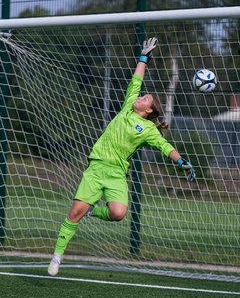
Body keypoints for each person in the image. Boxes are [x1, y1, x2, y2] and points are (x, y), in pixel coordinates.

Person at [48, 37, 196, 276]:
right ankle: (57, 255)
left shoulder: (148, 129)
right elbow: (137, 79)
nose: (140, 97)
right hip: (97, 167)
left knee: (118, 213)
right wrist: (144, 57)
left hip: (117, 173)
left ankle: (91, 211)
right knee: (73, 213)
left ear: (149, 110)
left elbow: (164, 145)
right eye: (141, 96)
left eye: (144, 99)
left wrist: (181, 161)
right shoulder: (128, 105)